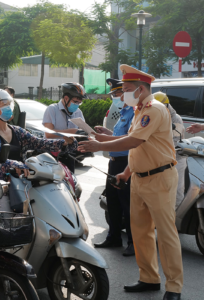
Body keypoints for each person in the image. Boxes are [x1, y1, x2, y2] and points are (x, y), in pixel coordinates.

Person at [78, 65, 183, 300]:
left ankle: (174, 286)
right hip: (139, 177)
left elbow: (134, 141)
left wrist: (101, 145)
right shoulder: (139, 109)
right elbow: (140, 145)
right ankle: (149, 278)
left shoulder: (153, 109)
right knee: (140, 231)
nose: (122, 93)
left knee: (166, 235)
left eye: (126, 89)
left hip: (160, 177)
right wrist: (126, 172)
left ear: (141, 88)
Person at [0, 89, 77, 181]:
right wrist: (15, 164)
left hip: (21, 181)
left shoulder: (17, 131)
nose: (8, 107)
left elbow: (39, 142)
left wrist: (64, 142)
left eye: (9, 104)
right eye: (4, 104)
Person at [93, 78, 135, 257]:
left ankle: (134, 242)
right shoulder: (124, 110)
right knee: (113, 200)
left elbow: (130, 139)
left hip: (126, 161)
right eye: (115, 94)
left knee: (128, 203)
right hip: (115, 161)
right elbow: (120, 135)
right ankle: (114, 236)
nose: (116, 97)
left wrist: (102, 143)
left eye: (118, 93)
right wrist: (108, 134)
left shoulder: (135, 111)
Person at [43, 82, 86, 173]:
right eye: (75, 102)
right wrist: (70, 132)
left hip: (69, 154)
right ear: (66, 98)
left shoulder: (78, 112)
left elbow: (83, 130)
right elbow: (48, 134)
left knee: (70, 182)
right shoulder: (52, 109)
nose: (77, 105)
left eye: (79, 103)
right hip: (52, 154)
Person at [154, 92, 187, 210]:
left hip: (176, 159)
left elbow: (173, 142)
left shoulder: (175, 119)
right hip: (161, 161)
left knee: (177, 192)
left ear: (167, 106)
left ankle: (176, 220)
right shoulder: (156, 116)